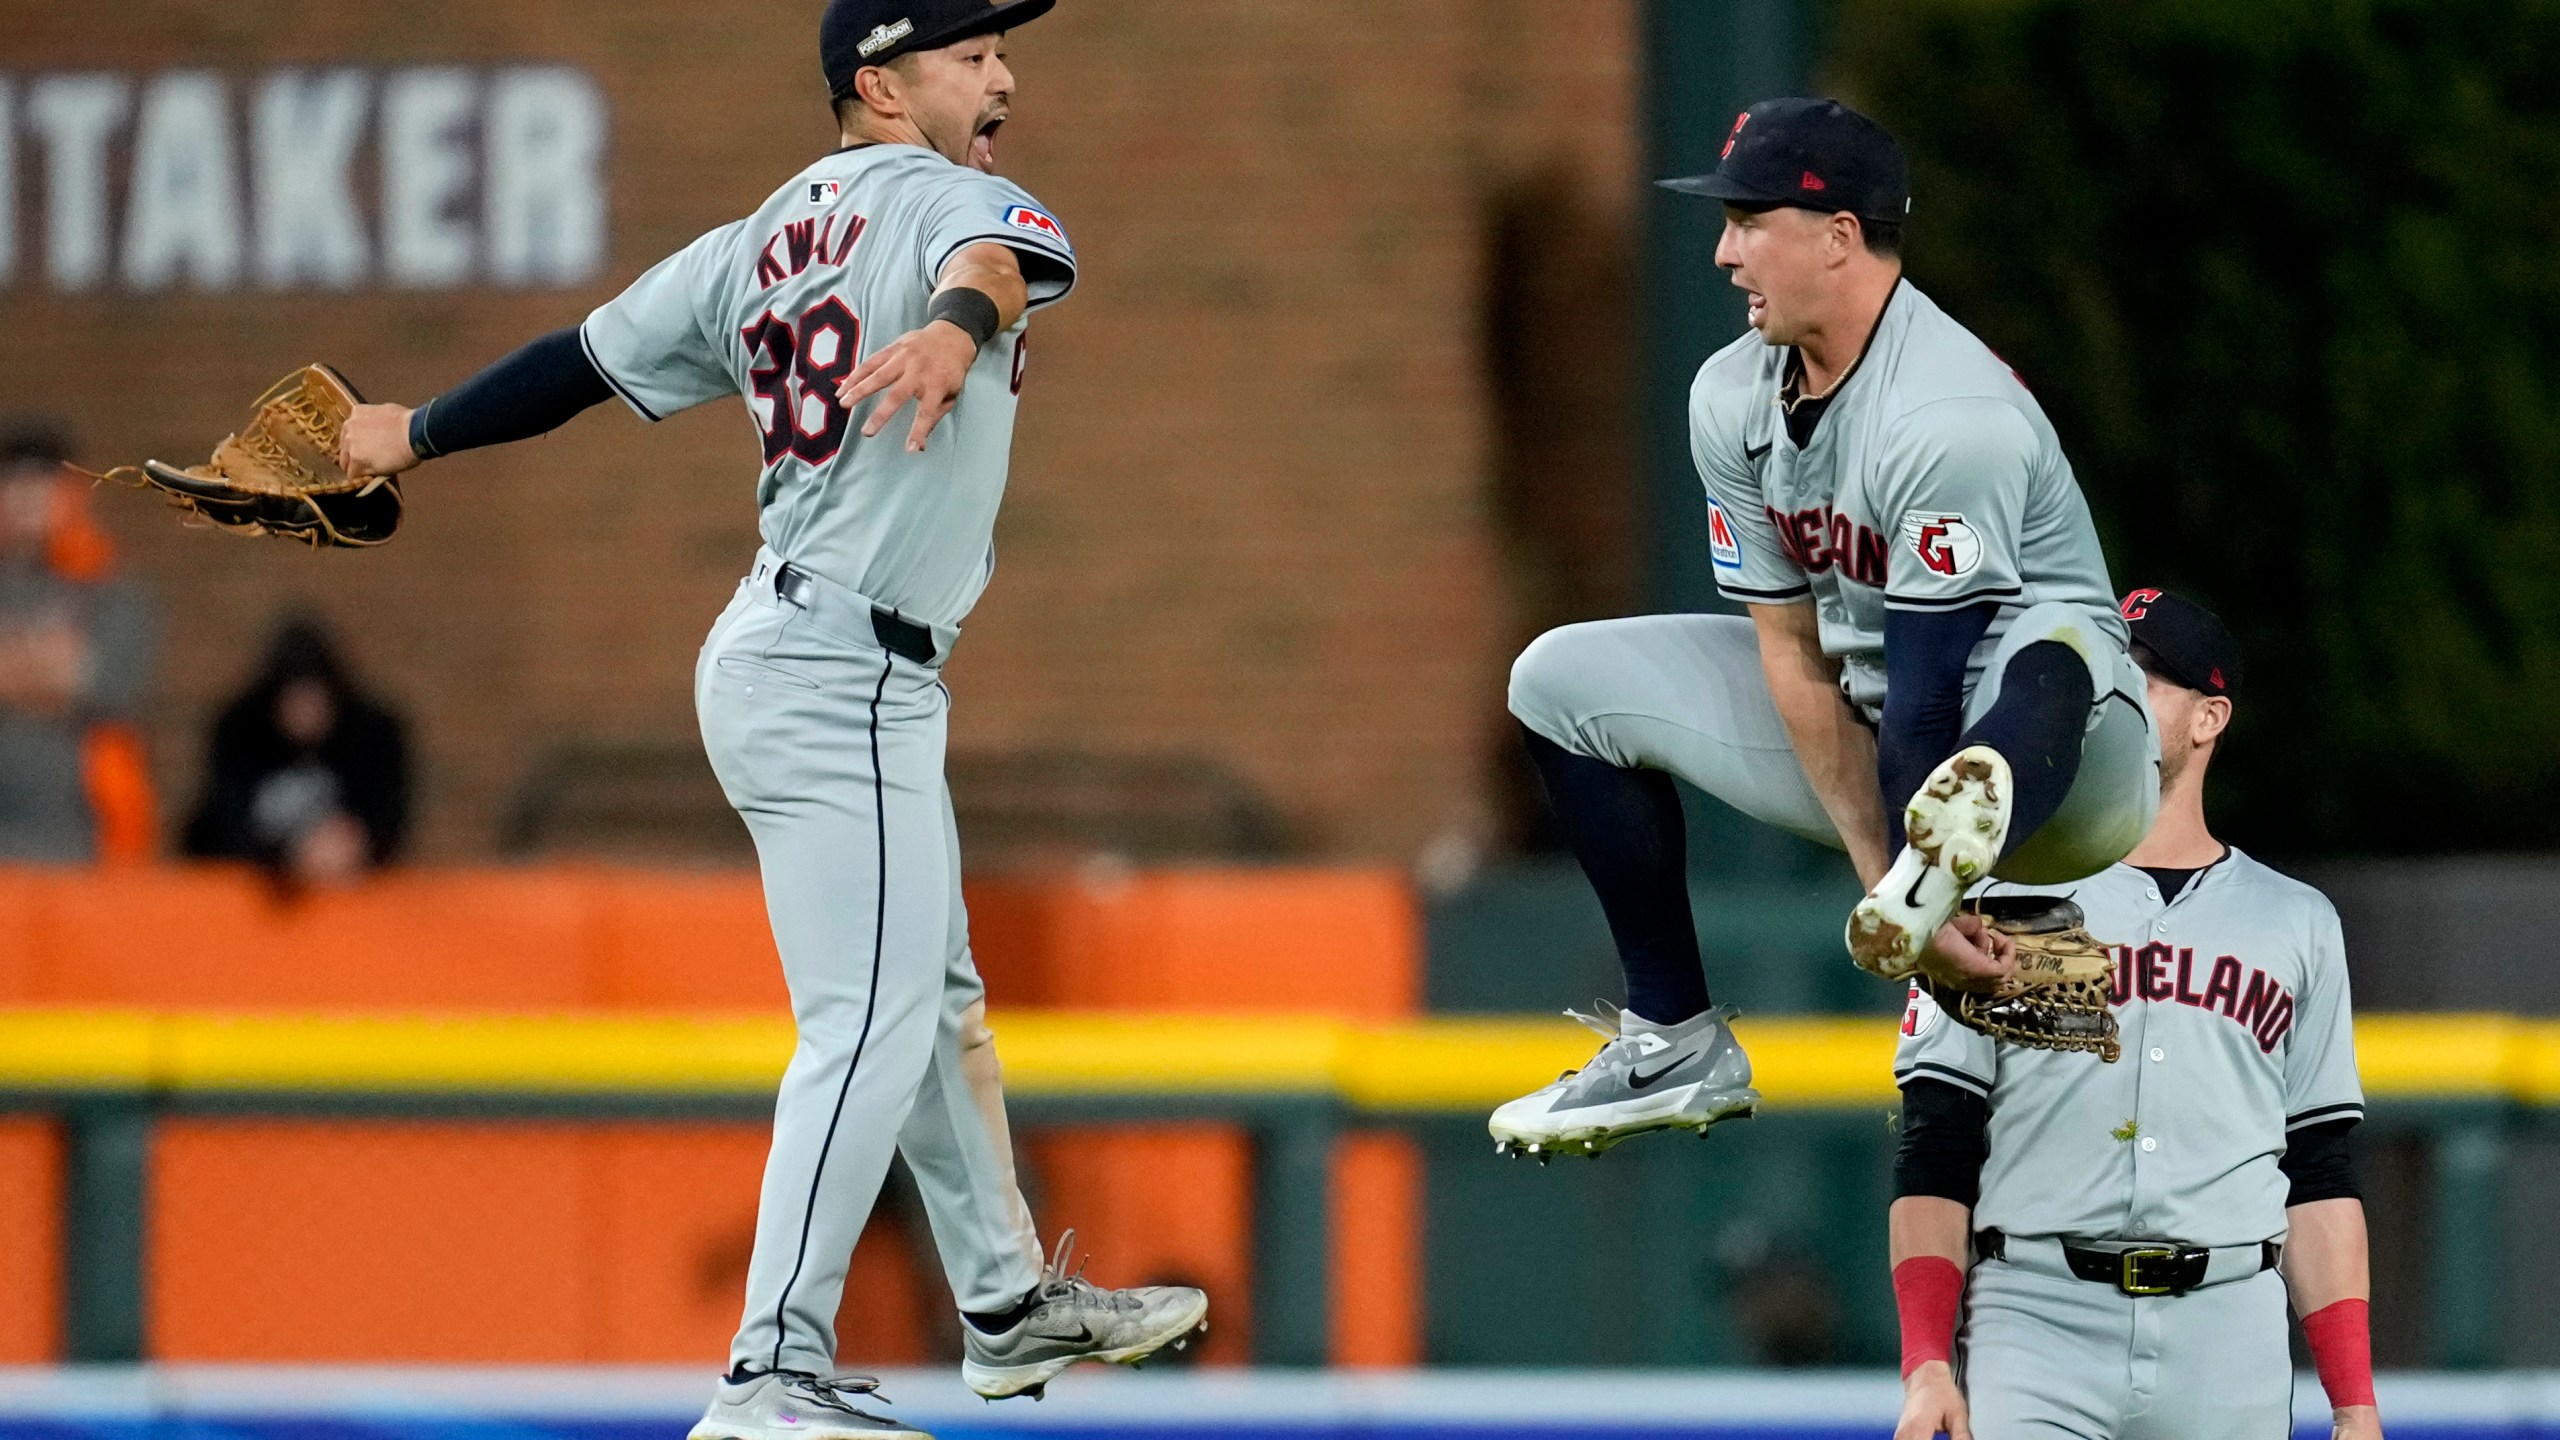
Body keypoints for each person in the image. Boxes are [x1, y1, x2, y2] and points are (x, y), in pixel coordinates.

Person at [332, 2, 1206, 1434]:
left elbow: (580, 361)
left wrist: (405, 432)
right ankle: (770, 1375)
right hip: (835, 671)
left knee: (935, 1006)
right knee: (867, 1021)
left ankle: (1000, 1297)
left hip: (812, 655)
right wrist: (954, 320)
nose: (1005, 77)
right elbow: (1001, 257)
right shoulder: (949, 197)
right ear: (880, 80)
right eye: (972, 54)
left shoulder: (753, 241)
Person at [1491, 97, 2158, 1160]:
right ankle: (1671, 1036)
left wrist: (1920, 895)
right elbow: (1792, 661)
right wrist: (1891, 900)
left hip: (2073, 762)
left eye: (1749, 220)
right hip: (1874, 730)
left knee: (2053, 643)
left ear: (1839, 235)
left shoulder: (1949, 415)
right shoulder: (1729, 394)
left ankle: (1954, 861)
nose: (1722, 252)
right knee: (1557, 680)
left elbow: (1933, 687)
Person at [1888, 589, 2379, 1440]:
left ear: (2209, 717)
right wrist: (1928, 1360)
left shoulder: (2296, 921)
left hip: (2228, 1327)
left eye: (2143, 676)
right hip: (2033, 1316)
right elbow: (1937, 1137)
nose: (2109, 696)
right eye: (2099, 672)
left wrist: (2355, 1403)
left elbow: (2319, 1168)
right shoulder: (1995, 897)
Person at [0, 422, 156, 863]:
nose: (28, 498)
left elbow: (112, 687)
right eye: (16, 483)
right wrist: (54, 668)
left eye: (44, 484)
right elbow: (75, 674)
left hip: (80, 835)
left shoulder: (109, 590)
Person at [182, 618, 410, 888]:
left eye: (312, 698)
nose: (303, 712)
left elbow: (387, 815)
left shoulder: (371, 736)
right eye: (293, 699)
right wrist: (288, 854)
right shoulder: (241, 732)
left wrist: (357, 842)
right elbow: (222, 821)